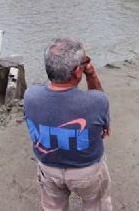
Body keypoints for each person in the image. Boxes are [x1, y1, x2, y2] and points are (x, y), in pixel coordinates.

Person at [24, 38, 112, 211]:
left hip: (48, 168)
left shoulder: (30, 95)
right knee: (97, 205)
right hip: (87, 171)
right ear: (78, 71)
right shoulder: (97, 102)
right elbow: (104, 128)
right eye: (85, 62)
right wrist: (92, 75)